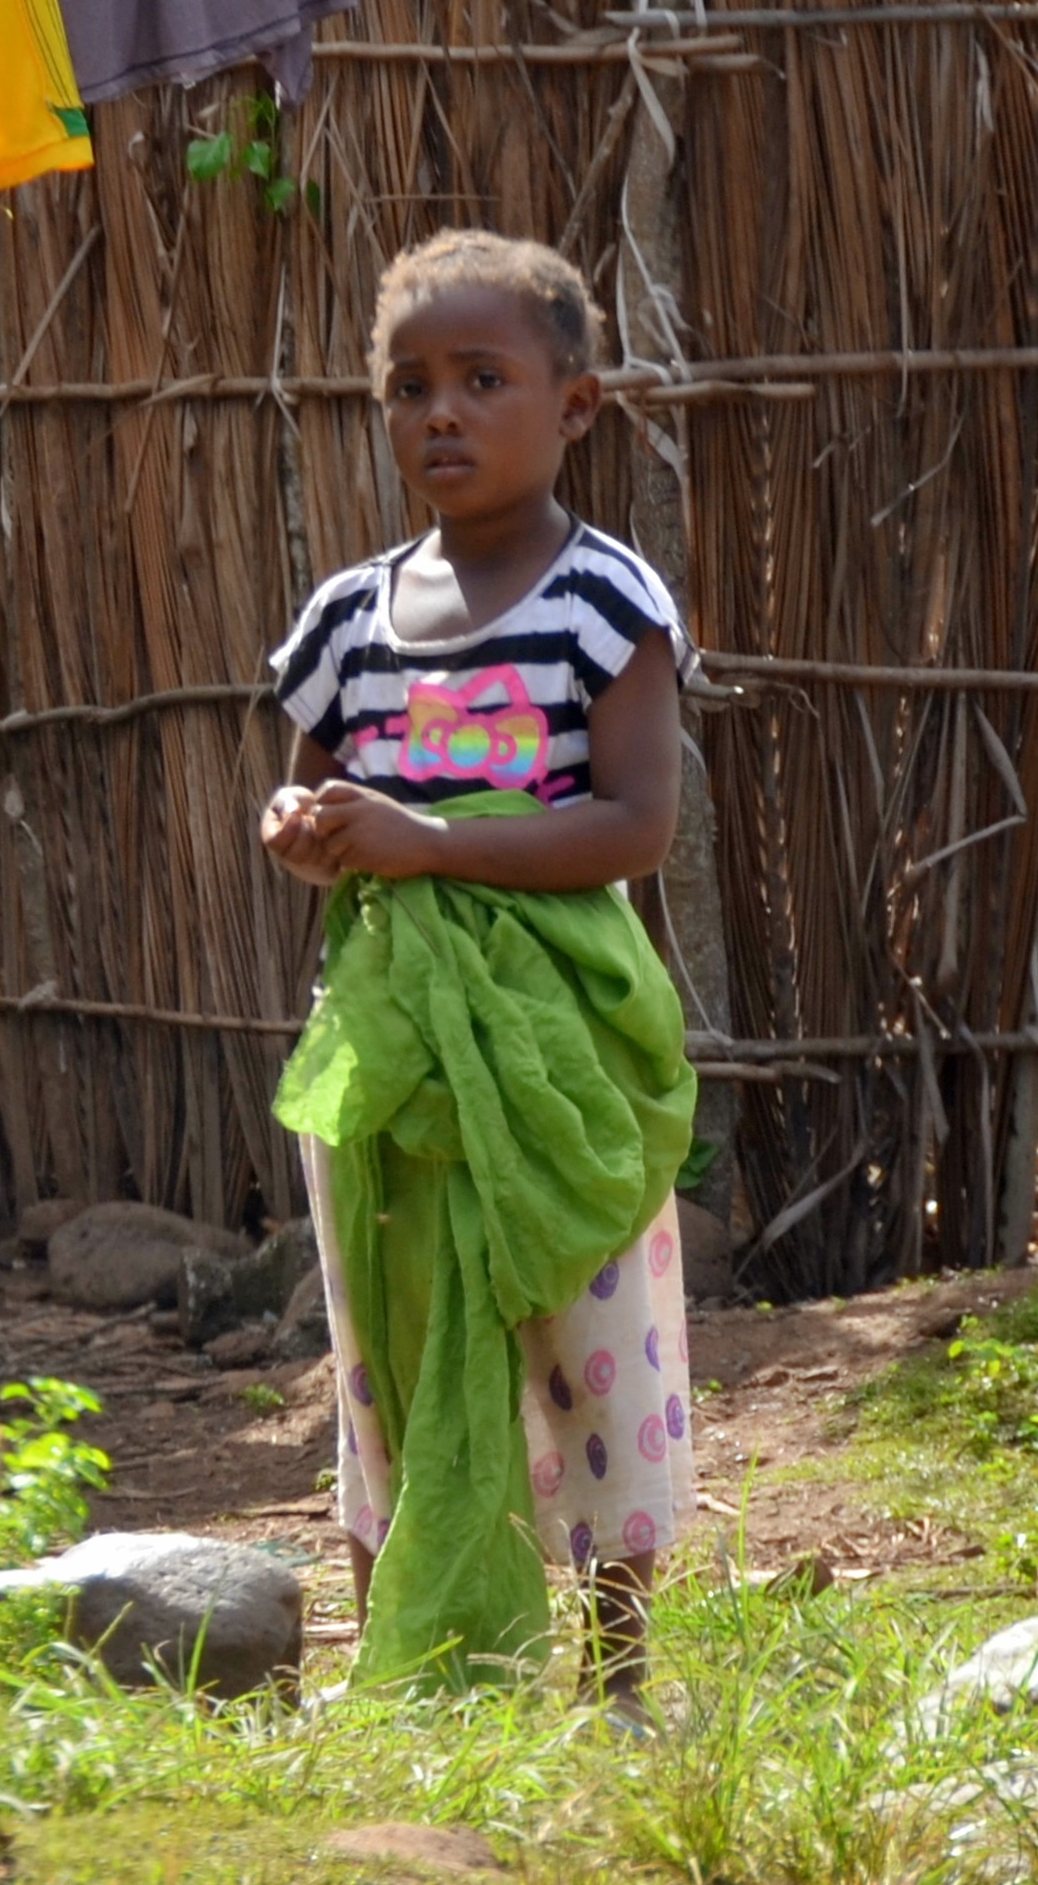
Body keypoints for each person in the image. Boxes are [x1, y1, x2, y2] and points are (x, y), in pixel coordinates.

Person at [256, 230, 700, 1704]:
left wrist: (430, 842)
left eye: (479, 380)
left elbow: (634, 827)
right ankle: (403, 1655)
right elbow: (308, 792)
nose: (437, 412)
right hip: (389, 1043)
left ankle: (615, 1670)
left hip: (561, 1045)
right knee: (388, 1333)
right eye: (407, 387)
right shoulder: (346, 620)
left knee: (590, 1341)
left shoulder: (605, 604)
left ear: (572, 405)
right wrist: (300, 830)